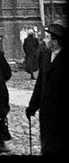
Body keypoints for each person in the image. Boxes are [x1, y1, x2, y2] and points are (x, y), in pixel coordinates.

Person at [26, 22, 67, 156]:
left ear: (55, 42)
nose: (44, 40)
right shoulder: (46, 57)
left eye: (48, 38)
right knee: (47, 145)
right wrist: (32, 107)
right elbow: (40, 85)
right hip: (47, 112)